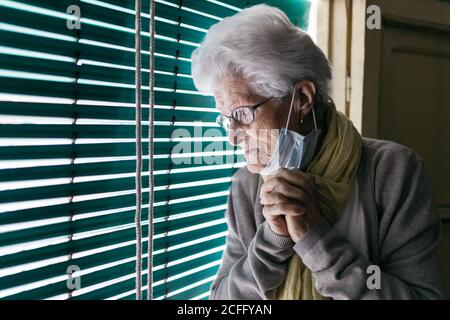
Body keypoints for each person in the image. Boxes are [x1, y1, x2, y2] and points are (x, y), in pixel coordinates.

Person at [190, 4, 445, 299]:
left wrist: (315, 238)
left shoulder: (394, 172)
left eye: (243, 114)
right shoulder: (246, 186)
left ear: (302, 98)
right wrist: (272, 242)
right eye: (225, 120)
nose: (233, 138)